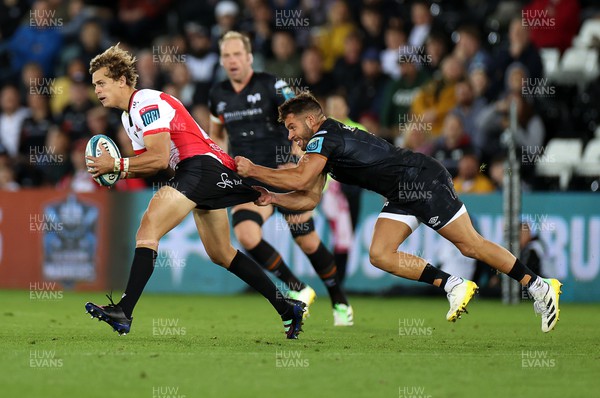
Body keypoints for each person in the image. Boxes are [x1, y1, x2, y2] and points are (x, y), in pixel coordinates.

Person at [235, 92, 563, 333]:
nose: (290, 136)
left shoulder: (325, 135)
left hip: (422, 178)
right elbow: (308, 199)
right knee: (380, 254)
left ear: (310, 120)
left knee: (470, 245)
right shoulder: (323, 145)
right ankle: (453, 285)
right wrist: (274, 199)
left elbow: (301, 178)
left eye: (292, 128)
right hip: (401, 192)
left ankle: (538, 286)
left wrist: (253, 170)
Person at [83, 44, 305, 339]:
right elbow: (153, 166)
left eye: (101, 82)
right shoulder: (128, 117)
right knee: (221, 253)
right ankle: (287, 308)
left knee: (148, 228)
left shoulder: (145, 103)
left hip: (201, 167)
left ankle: (124, 311)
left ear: (121, 80)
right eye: (94, 84)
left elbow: (160, 157)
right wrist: (117, 171)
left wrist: (117, 164)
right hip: (203, 171)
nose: (96, 89)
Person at [209, 31, 353, 326]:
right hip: (248, 177)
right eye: (226, 55)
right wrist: (220, 162)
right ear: (222, 60)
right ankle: (299, 289)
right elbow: (217, 135)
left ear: (249, 57)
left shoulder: (271, 84)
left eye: (237, 54)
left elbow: (300, 117)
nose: (232, 60)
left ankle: (339, 300)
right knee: (247, 236)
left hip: (283, 172)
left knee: (307, 241)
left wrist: (298, 157)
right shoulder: (218, 95)